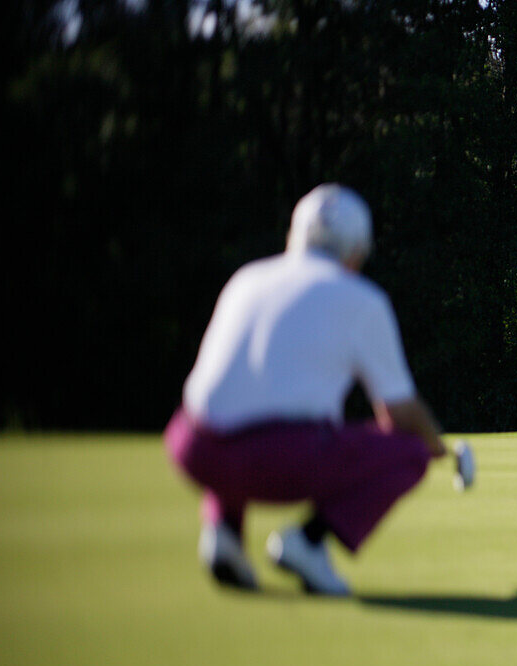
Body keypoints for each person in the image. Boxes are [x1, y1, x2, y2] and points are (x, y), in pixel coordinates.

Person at [164, 183, 474, 596]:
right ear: (355, 251)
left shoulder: (247, 278)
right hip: (272, 460)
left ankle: (224, 533)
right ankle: (307, 544)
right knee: (409, 452)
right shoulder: (362, 299)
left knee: (234, 415)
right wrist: (433, 443)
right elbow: (397, 413)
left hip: (191, 445)